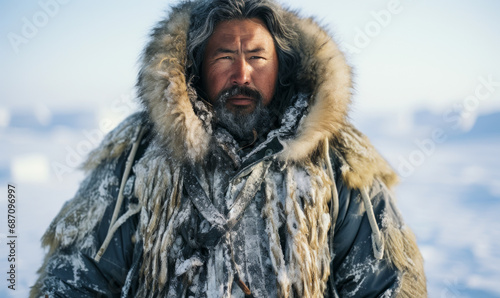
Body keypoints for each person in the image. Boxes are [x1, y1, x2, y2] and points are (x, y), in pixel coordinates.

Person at [31, 0, 426, 297]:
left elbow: (387, 280)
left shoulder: (336, 157)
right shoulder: (138, 155)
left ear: (283, 67)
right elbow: (75, 277)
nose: (241, 74)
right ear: (194, 67)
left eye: (257, 57)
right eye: (224, 57)